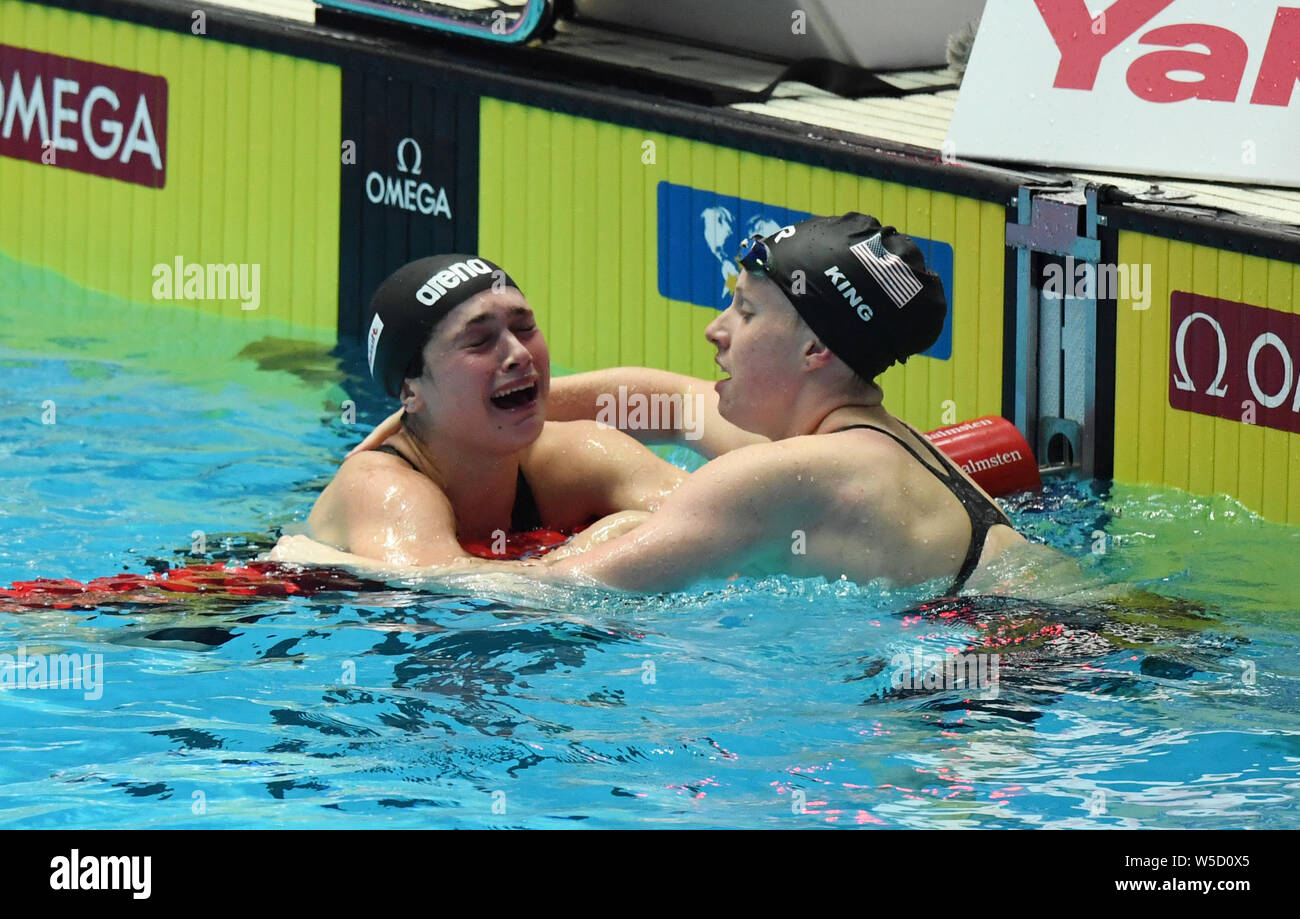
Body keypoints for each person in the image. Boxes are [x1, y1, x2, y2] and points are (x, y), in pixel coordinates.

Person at [277, 214, 1026, 595]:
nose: (715, 329)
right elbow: (665, 402)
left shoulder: (777, 479)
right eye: (480, 342)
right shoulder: (879, 442)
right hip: (1059, 631)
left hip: (1018, 665)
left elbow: (563, 594)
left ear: (814, 350)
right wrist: (430, 419)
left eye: (744, 311)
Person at [298, 253, 684, 567]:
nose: (518, 353)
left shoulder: (577, 455)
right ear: (410, 391)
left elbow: (723, 519)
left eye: (525, 326)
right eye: (479, 341)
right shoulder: (382, 489)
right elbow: (441, 594)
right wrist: (597, 544)